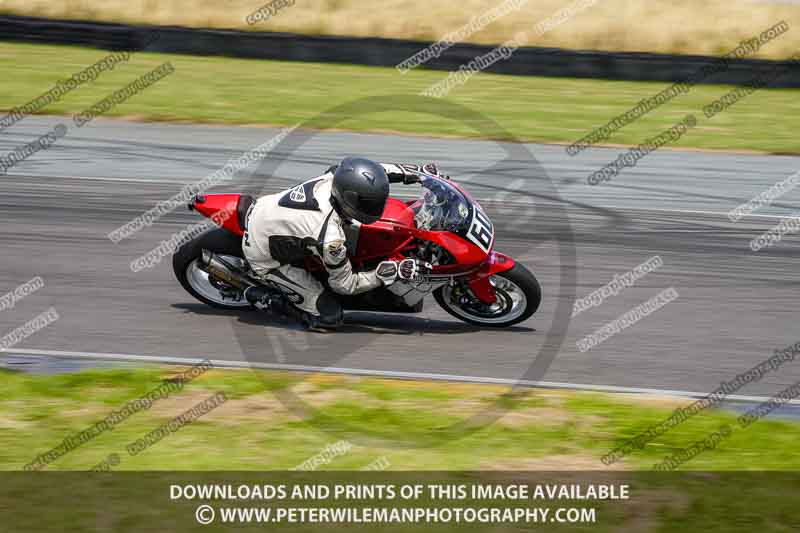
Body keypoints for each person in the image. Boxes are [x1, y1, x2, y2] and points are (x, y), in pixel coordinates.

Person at [241, 157, 443, 330]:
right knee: (330, 317)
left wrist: (420, 174)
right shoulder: (330, 239)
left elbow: (377, 172)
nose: (377, 206)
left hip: (269, 210)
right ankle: (266, 298)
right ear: (349, 200)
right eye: (368, 203)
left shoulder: (338, 176)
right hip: (264, 253)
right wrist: (389, 272)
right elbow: (345, 285)